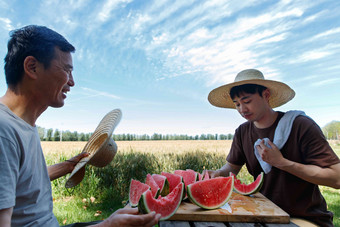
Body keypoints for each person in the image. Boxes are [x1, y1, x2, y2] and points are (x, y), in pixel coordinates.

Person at [0, 25, 160, 227]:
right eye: (67, 70)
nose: (72, 82)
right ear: (32, 67)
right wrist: (107, 226)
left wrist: (68, 166)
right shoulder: (4, 131)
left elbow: (20, 180)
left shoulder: (22, 124)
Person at [205, 69, 340, 226]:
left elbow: (336, 178)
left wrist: (281, 162)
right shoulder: (242, 132)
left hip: (305, 219)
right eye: (237, 104)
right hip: (265, 215)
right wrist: (217, 174)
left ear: (266, 95)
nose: (242, 110)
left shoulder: (301, 125)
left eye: (247, 101)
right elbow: (231, 168)